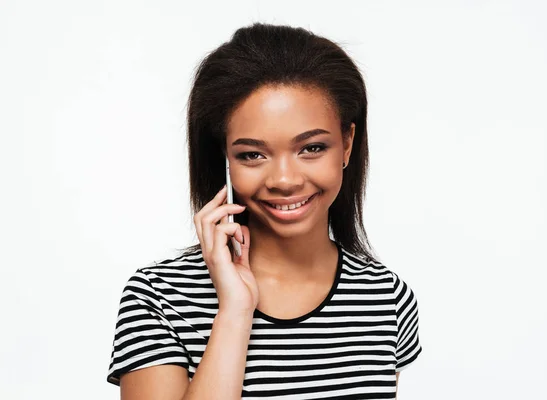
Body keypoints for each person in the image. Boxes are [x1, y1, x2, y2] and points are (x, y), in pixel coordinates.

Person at [106, 22, 423, 399]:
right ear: (225, 158)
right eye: (252, 155)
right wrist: (235, 311)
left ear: (347, 145)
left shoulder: (385, 296)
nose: (284, 180)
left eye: (312, 148)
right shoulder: (158, 298)